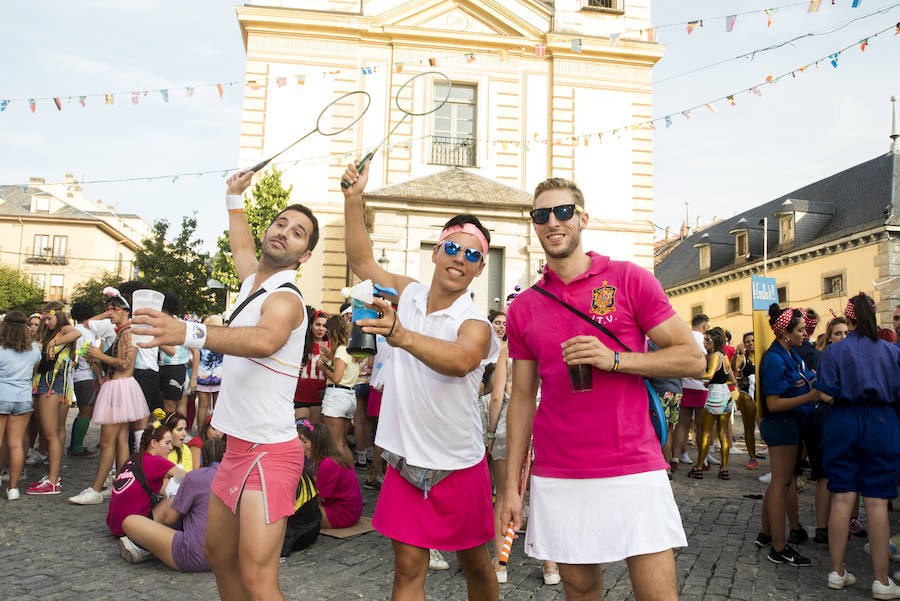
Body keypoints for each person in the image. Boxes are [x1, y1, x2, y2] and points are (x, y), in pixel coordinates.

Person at [499, 177, 705, 601]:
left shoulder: (629, 279)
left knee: (657, 594)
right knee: (579, 589)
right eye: (541, 215)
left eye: (563, 211)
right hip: (560, 470)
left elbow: (692, 358)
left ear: (583, 219)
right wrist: (510, 486)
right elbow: (521, 398)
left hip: (632, 462)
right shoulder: (524, 307)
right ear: (534, 225)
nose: (553, 221)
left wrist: (615, 359)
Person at [131, 169, 317, 601]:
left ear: (303, 256)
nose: (284, 232)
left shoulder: (285, 298)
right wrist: (235, 197)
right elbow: (241, 244)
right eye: (281, 223)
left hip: (271, 454)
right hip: (237, 450)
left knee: (257, 578)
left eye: (298, 233)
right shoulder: (253, 280)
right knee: (217, 553)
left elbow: (265, 340)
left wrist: (189, 333)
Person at [342, 160, 501, 601]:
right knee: (407, 569)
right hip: (404, 462)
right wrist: (353, 198)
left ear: (479, 269)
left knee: (477, 568)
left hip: (457, 464)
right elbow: (360, 260)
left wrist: (402, 335)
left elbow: (463, 359)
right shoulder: (407, 294)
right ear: (436, 250)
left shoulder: (474, 320)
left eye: (473, 256)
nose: (460, 259)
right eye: (454, 248)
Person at [816, 293, 900, 597]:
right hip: (881, 421)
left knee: (842, 497)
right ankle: (882, 580)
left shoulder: (835, 352)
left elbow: (824, 393)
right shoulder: (892, 351)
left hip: (844, 420)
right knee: (877, 501)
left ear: (847, 319)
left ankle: (836, 572)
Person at [69, 288, 151, 505]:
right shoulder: (122, 332)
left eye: (113, 309)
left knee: (107, 442)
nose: (109, 313)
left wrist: (99, 356)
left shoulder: (128, 333)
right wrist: (98, 359)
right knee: (120, 440)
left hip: (119, 388)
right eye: (107, 310)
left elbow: (126, 364)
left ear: (125, 311)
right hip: (118, 387)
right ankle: (120, 485)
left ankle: (96, 489)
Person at [756, 304, 818, 567]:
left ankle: (766, 534)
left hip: (788, 423)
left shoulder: (789, 354)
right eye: (801, 330)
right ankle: (779, 548)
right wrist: (810, 395)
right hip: (780, 423)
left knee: (778, 483)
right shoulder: (775, 358)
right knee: (781, 484)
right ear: (785, 333)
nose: (805, 334)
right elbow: (773, 403)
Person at [120, 437, 226, 568]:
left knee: (130, 521)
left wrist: (173, 493)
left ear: (201, 459)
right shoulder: (237, 478)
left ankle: (145, 549)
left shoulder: (195, 477)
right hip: (229, 556)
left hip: (195, 555)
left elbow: (169, 518)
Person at [26, 301, 80, 496]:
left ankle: (53, 481)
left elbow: (76, 333)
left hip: (52, 385)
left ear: (58, 315)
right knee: (53, 432)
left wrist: (53, 343)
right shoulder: (53, 333)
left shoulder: (63, 330)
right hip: (49, 384)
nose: (46, 322)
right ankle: (52, 477)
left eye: (48, 318)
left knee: (50, 434)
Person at [107, 414, 184, 538]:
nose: (171, 448)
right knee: (177, 495)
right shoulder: (156, 462)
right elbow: (188, 478)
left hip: (115, 524)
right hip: (133, 527)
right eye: (167, 443)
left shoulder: (135, 459)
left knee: (170, 487)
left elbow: (164, 488)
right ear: (153, 443)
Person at [0, 311, 42, 500]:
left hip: (2, 395)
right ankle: (14, 488)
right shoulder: (34, 349)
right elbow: (33, 372)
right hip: (23, 398)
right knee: (16, 444)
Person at [68, 301, 116, 458]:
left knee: (82, 412)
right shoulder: (87, 333)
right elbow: (91, 357)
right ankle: (76, 448)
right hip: (87, 377)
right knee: (85, 413)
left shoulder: (74, 330)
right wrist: (99, 377)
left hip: (76, 377)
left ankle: (74, 444)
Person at [689, 329, 737, 480]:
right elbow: (733, 381)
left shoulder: (715, 356)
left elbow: (709, 374)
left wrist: (693, 375)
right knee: (723, 434)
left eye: (707, 340)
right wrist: (716, 382)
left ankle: (698, 468)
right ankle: (724, 469)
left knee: (705, 433)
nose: (704, 343)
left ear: (714, 342)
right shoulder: (724, 356)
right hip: (726, 396)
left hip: (715, 397)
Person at [298, 420, 362, 529]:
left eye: (304, 442)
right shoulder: (330, 458)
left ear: (317, 443)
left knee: (297, 514)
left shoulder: (328, 464)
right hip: (350, 510)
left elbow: (317, 497)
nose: (301, 446)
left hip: (343, 514)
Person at [319, 315, 361, 467]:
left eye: (328, 331)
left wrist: (324, 368)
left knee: (336, 445)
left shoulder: (341, 351)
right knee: (342, 444)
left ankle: (347, 483)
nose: (326, 333)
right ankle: (350, 481)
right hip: (349, 396)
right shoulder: (350, 350)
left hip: (337, 397)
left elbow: (336, 378)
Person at [672, 313, 709, 466]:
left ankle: (675, 457)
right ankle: (703, 460)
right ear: (705, 326)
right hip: (701, 386)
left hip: (684, 385)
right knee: (701, 426)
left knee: (682, 424)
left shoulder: (684, 335)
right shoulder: (704, 340)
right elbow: (706, 363)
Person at [157, 292, 198, 417]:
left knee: (171, 405)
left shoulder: (182, 326)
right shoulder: (158, 324)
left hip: (176, 369)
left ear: (167, 309)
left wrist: (193, 378)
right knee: (162, 405)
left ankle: (176, 431)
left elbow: (195, 351)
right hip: (159, 366)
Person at [646, 340, 682, 479]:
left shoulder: (651, 344)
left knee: (662, 430)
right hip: (677, 390)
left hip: (661, 390)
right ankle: (669, 463)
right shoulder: (675, 342)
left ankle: (665, 467)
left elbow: (648, 367)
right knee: (670, 430)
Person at [731, 331, 759, 469]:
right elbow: (734, 367)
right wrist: (737, 353)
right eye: (748, 341)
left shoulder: (763, 356)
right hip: (747, 396)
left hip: (762, 396)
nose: (751, 343)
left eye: (753, 340)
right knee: (749, 428)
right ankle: (752, 457)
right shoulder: (743, 358)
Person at [294, 310, 328, 423]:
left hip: (320, 397)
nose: (321, 329)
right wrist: (294, 367)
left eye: (324, 326)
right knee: (302, 433)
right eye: (318, 324)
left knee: (316, 435)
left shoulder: (330, 346)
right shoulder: (301, 344)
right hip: (300, 396)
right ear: (311, 325)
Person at [195, 315, 224, 430]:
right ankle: (216, 432)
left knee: (202, 405)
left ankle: (201, 432)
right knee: (217, 406)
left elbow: (197, 356)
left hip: (203, 375)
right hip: (219, 375)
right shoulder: (224, 339)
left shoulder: (202, 338)